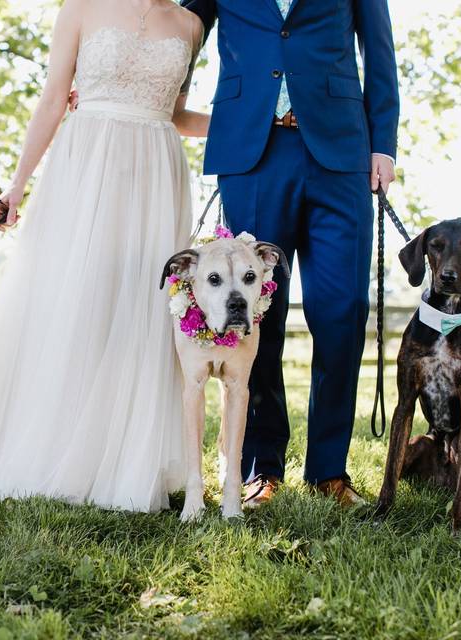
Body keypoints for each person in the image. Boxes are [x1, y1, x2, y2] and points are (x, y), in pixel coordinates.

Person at [0, 0, 207, 512]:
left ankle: (125, 461)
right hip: (87, 167)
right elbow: (53, 99)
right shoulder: (81, 8)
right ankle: (50, 452)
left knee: (141, 318)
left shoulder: (191, 24)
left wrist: (246, 123)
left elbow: (176, 113)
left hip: (156, 175)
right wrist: (16, 187)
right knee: (75, 304)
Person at [180, 0, 400, 507]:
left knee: (343, 309)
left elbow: (379, 50)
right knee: (254, 314)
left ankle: (329, 471)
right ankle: (261, 468)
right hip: (252, 153)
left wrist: (383, 143)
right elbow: (181, 28)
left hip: (341, 151)